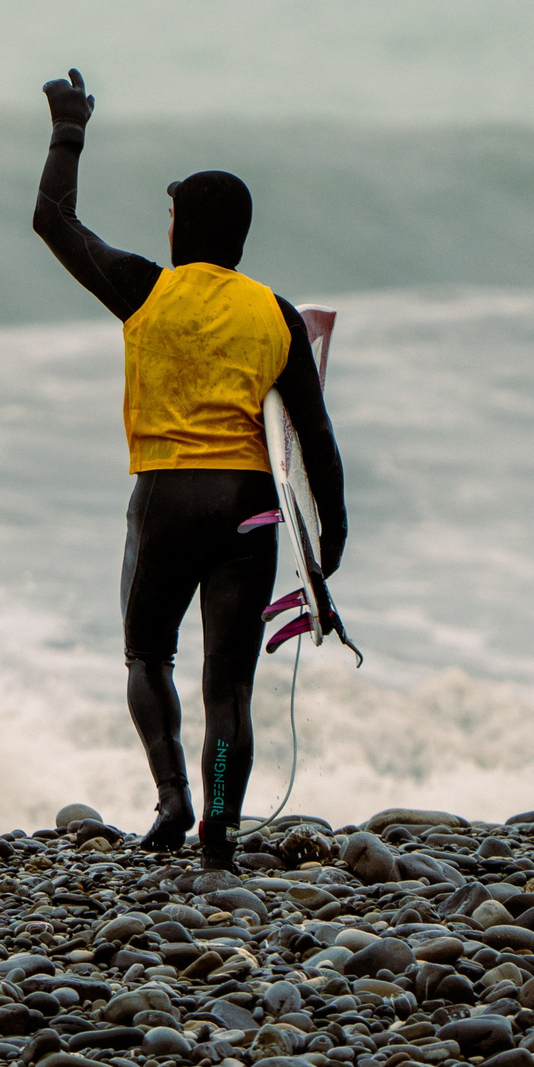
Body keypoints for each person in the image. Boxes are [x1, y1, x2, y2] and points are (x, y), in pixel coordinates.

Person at [32, 67, 346, 879]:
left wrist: (69, 130)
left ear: (180, 229)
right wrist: (330, 534)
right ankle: (219, 831)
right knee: (228, 685)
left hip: (166, 498)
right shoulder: (275, 312)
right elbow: (313, 432)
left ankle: (172, 795)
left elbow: (52, 219)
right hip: (247, 507)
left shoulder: (146, 290)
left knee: (148, 658)